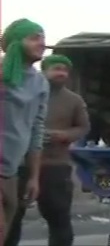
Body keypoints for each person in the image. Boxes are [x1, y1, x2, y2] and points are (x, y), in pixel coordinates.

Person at [4, 55, 90, 246]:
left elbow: (83, 128)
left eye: (65, 70)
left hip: (56, 166)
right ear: (45, 71)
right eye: (57, 68)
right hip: (21, 165)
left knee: (59, 217)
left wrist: (63, 135)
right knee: (12, 219)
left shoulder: (74, 100)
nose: (61, 73)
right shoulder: (27, 92)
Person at [1, 19, 50, 244]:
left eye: (43, 37)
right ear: (15, 44)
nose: (41, 43)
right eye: (34, 37)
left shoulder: (40, 83)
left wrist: (33, 177)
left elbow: (36, 130)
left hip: (10, 171)